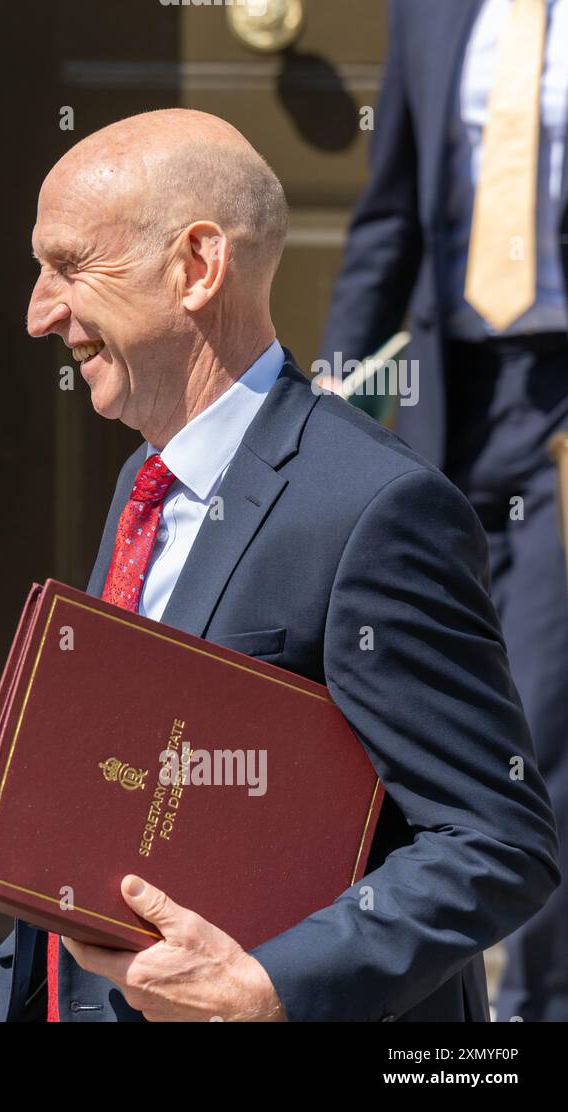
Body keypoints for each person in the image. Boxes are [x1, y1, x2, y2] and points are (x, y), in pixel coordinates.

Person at [0, 109, 559, 1022]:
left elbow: (497, 840)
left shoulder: (376, 508)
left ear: (198, 267)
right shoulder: (145, 480)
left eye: (71, 266)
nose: (40, 312)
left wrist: (270, 988)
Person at [320, 0, 568, 1020]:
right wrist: (329, 392)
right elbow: (388, 213)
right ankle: (423, 993)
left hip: (559, 398)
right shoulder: (431, 8)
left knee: (546, 705)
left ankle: (541, 1000)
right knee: (413, 691)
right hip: (446, 396)